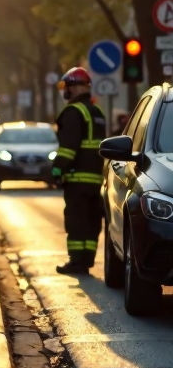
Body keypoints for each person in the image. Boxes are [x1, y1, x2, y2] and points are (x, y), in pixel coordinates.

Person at [52, 67, 106, 275]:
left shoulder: (73, 112)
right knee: (92, 221)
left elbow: (68, 148)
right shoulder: (97, 112)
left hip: (76, 178)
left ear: (74, 87)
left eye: (66, 86)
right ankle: (87, 260)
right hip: (95, 179)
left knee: (76, 221)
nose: (65, 91)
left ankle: (76, 262)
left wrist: (57, 170)